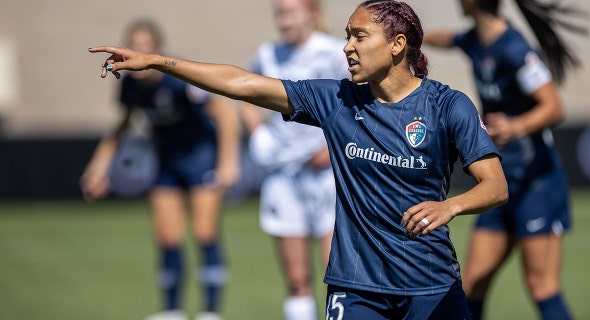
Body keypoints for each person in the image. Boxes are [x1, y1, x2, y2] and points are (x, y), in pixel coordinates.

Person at [89, 1, 508, 318]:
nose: (347, 47)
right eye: (347, 35)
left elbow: (495, 185)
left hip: (431, 282)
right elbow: (244, 84)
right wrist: (161, 62)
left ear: (397, 45)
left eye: (359, 37)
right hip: (355, 287)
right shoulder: (336, 100)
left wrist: (450, 205)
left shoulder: (448, 106)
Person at [423, 0, 587, 319]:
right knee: (471, 285)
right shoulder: (474, 40)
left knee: (542, 286)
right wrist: (413, 37)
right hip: (499, 185)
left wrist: (515, 126)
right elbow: (447, 38)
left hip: (535, 184)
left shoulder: (514, 49)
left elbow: (554, 107)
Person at [81, 19, 240, 320]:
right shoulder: (129, 83)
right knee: (167, 237)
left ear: (156, 49)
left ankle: (210, 311)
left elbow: (224, 115)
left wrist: (227, 164)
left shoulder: (177, 79)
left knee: (205, 233)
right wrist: (98, 169)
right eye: (133, 43)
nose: (138, 50)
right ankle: (172, 311)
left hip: (200, 159)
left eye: (145, 44)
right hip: (166, 161)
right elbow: (122, 126)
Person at [240, 0, 350, 319]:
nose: (284, 21)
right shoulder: (269, 54)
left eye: (291, 13)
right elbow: (245, 95)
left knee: (338, 277)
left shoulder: (333, 52)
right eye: (280, 14)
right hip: (284, 176)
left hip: (328, 177)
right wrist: (258, 134)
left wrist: (333, 148)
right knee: (297, 280)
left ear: (312, 13)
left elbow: (363, 102)